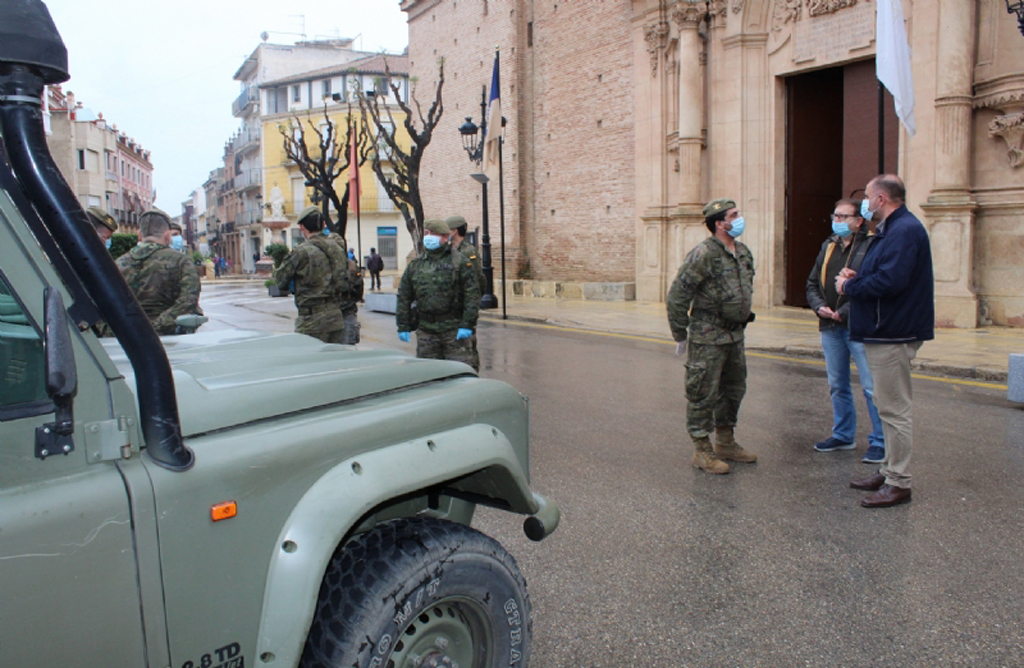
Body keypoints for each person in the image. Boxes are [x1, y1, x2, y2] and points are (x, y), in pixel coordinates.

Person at [837, 174, 934, 508]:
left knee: (894, 409)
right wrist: (858, 275)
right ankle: (888, 469)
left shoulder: (904, 230)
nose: (865, 202)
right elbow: (885, 273)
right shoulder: (891, 229)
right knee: (885, 403)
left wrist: (849, 287)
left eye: (867, 196)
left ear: (881, 199)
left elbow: (892, 281)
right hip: (885, 328)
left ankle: (899, 481)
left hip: (894, 329)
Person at [666, 198, 757, 475]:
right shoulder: (703, 253)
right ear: (720, 223)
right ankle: (702, 449)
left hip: (735, 335)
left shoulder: (742, 252)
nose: (739, 218)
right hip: (708, 336)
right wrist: (680, 333)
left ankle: (726, 442)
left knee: (733, 389)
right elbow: (678, 295)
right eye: (734, 215)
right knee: (703, 392)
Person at [806, 198, 885, 463]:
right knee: (837, 384)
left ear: (858, 221)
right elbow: (812, 284)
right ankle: (843, 434)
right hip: (830, 325)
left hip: (859, 326)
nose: (837, 221)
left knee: (871, 387)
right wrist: (820, 307)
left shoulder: (872, 245)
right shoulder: (829, 246)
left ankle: (880, 441)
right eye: (835, 216)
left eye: (843, 217)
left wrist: (845, 311)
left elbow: (873, 285)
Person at [396, 219, 481, 370]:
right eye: (427, 233)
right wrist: (403, 324)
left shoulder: (460, 262)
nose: (429, 237)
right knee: (429, 375)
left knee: (461, 373)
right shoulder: (415, 266)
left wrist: (467, 324)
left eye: (434, 234)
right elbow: (404, 296)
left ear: (445, 237)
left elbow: (472, 295)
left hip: (454, 330)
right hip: (426, 332)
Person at [115, 208, 203, 335]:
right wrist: (156, 326)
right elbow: (188, 301)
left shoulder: (119, 263)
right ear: (167, 235)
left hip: (125, 336)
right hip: (168, 338)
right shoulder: (181, 261)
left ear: (139, 234)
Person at [274, 206, 348, 344]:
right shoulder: (337, 248)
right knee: (332, 363)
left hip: (311, 322)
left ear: (302, 227)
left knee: (310, 363)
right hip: (335, 318)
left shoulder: (301, 252)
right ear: (323, 225)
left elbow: (280, 281)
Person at [446, 215, 486, 371]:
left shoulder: (468, 251)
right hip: (452, 307)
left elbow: (478, 279)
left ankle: (472, 373)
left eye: (447, 230)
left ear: (454, 231)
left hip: (465, 306)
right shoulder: (449, 250)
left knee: (468, 346)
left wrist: (472, 302)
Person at [326, 227, 363, 345]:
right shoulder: (351, 266)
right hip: (346, 313)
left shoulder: (323, 265)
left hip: (331, 314)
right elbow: (359, 290)